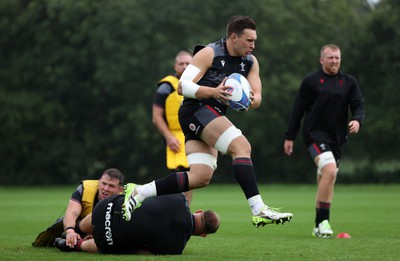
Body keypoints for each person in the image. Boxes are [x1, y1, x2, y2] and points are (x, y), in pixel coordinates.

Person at [122, 15, 293, 227]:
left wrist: (250, 98)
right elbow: (182, 86)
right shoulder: (209, 53)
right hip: (197, 109)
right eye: (249, 40)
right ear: (233, 37)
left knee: (199, 177)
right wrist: (214, 91)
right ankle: (259, 209)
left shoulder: (250, 62)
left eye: (254, 40)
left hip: (211, 114)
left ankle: (138, 191)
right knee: (241, 146)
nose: (253, 45)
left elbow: (258, 98)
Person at [283, 44, 365, 238]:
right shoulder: (311, 81)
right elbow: (298, 109)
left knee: (326, 178)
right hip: (314, 135)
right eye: (330, 58)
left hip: (337, 139)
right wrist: (290, 136)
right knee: (329, 170)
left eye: (337, 57)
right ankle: (323, 222)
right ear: (322, 60)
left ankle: (317, 226)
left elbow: (358, 104)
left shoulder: (348, 82)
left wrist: (356, 119)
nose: (334, 61)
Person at [54, 193, 220, 255]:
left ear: (199, 211)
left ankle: (73, 229)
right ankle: (77, 245)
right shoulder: (177, 248)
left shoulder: (179, 198)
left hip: (106, 208)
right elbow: (142, 252)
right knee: (116, 241)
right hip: (109, 240)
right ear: (203, 235)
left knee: (111, 208)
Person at [32, 168, 124, 247]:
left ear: (120, 190)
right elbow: (72, 213)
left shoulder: (124, 202)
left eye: (111, 186)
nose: (106, 189)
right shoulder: (85, 188)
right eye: (104, 184)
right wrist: (70, 231)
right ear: (99, 182)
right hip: (79, 224)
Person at [152, 50, 193, 203]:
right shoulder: (166, 86)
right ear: (175, 66)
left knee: (193, 175)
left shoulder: (199, 83)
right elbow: (156, 116)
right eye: (181, 64)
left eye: (188, 63)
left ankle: (185, 209)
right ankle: (177, 208)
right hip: (176, 135)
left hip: (194, 134)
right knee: (181, 174)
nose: (184, 66)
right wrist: (169, 137)